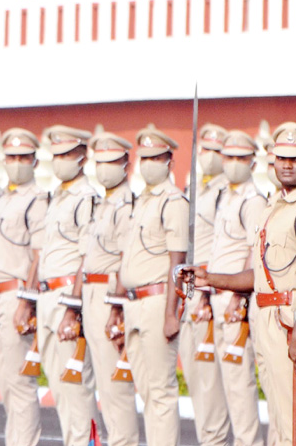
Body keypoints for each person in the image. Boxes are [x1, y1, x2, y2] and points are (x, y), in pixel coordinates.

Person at [191, 122, 296, 446]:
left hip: (292, 320)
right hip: (267, 314)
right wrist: (211, 278)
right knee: (282, 422)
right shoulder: (274, 208)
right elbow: (259, 275)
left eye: (295, 159)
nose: (286, 164)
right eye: (281, 157)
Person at [108, 124, 187, 446]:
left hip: (157, 301)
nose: (149, 163)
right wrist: (116, 306)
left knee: (161, 391)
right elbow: (126, 259)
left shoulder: (174, 201)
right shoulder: (140, 201)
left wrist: (172, 313)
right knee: (145, 390)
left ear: (169, 160)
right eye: (144, 158)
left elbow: (177, 263)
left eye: (156, 157)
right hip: (133, 303)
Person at [59, 132, 138, 446]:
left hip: (108, 296)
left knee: (115, 390)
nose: (105, 168)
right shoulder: (98, 204)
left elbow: (124, 260)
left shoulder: (128, 205)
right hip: (89, 295)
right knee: (92, 386)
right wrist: (72, 306)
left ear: (126, 165)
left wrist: (117, 310)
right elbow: (84, 259)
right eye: (100, 162)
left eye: (112, 162)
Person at [0, 128, 47, 446]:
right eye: (12, 158)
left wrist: (27, 302)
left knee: (19, 386)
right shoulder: (2, 200)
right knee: (6, 387)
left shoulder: (37, 200)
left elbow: (38, 254)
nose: (17, 163)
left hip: (14, 297)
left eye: (23, 158)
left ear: (34, 161)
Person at [32, 125, 98, 446]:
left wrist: (74, 308)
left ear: (82, 158)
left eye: (66, 155)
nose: (59, 162)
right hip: (47, 297)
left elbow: (88, 257)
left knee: (76, 386)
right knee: (58, 387)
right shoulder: (56, 197)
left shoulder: (86, 198)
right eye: (55, 155)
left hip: (67, 298)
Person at [207, 130, 266, 446]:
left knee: (240, 384)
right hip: (216, 297)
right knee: (223, 386)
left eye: (240, 158)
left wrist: (240, 299)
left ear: (252, 161)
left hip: (235, 300)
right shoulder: (224, 195)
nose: (232, 164)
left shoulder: (252, 199)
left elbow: (254, 253)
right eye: (228, 157)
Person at [178, 123, 232, 446]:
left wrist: (206, 297)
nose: (209, 158)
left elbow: (222, 250)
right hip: (189, 296)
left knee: (212, 393)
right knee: (198, 387)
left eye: (217, 151)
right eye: (205, 150)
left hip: (207, 298)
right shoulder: (195, 188)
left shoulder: (227, 194)